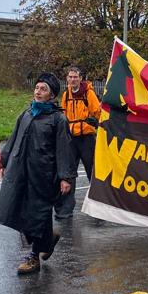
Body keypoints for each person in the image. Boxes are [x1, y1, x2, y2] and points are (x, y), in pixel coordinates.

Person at [0, 73, 76, 275]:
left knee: (38, 214)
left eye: (43, 89)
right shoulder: (27, 114)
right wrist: (3, 162)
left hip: (43, 175)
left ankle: (34, 257)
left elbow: (64, 149)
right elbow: (13, 139)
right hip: (22, 172)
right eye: (37, 88)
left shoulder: (58, 119)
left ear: (51, 95)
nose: (38, 92)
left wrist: (65, 177)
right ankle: (48, 239)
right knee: (20, 211)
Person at [55, 66, 101, 222]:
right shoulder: (66, 94)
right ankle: (65, 210)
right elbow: (62, 114)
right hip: (71, 139)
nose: (72, 79)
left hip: (87, 139)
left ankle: (99, 208)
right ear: (67, 79)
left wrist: (95, 122)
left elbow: (98, 113)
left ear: (81, 78)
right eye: (70, 77)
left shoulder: (89, 93)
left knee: (92, 173)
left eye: (75, 77)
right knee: (68, 173)